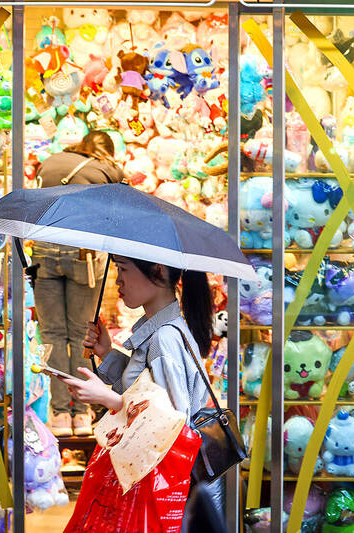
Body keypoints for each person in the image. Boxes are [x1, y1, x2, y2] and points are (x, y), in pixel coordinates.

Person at [60, 255, 223, 524]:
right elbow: (146, 389)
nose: (118, 281)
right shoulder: (160, 332)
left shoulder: (164, 338)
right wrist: (106, 353)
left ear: (158, 271)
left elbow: (170, 425)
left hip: (159, 487)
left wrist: (109, 398)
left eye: (123, 270)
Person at [32, 131, 125, 437]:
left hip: (44, 250)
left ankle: (59, 415)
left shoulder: (52, 162)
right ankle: (82, 413)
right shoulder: (103, 166)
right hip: (83, 256)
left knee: (52, 333)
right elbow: (121, 199)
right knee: (80, 333)